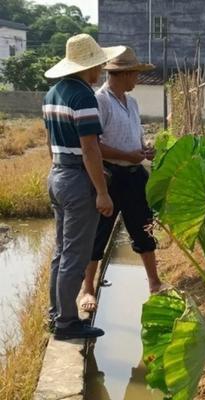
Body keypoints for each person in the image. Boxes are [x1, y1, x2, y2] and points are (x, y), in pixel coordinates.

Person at [43, 34, 126, 340]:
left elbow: (50, 143)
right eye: (99, 64)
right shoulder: (83, 97)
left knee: (60, 252)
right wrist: (102, 191)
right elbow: (90, 149)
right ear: (88, 67)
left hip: (58, 175)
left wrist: (59, 170)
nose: (102, 69)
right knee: (75, 256)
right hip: (78, 180)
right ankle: (66, 323)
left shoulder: (52, 93)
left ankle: (55, 315)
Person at [79, 47, 164, 313]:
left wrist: (144, 149)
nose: (137, 78)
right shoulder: (99, 100)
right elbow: (94, 146)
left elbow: (135, 137)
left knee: (144, 229)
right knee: (99, 234)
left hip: (134, 176)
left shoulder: (132, 102)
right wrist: (127, 154)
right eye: (135, 73)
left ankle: (154, 282)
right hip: (109, 176)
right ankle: (87, 288)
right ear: (123, 74)